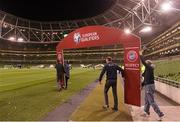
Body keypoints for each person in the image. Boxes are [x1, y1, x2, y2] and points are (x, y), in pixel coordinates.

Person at [140, 50, 164, 120]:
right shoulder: (147, 70)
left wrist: (141, 55)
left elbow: (144, 63)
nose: (144, 65)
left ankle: (160, 114)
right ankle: (146, 111)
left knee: (151, 101)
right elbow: (144, 77)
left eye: (146, 64)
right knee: (146, 100)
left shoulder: (150, 68)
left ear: (148, 64)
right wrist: (142, 85)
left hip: (149, 86)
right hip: (148, 85)